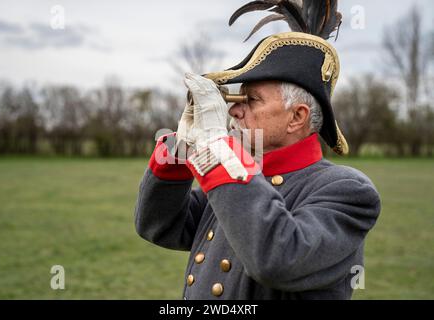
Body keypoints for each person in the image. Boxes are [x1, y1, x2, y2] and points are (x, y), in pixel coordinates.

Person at [134, 0, 381, 299]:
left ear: (297, 117)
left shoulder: (347, 191)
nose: (235, 111)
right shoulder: (241, 180)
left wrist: (219, 152)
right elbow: (159, 226)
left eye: (251, 100)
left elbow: (277, 258)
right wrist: (179, 150)